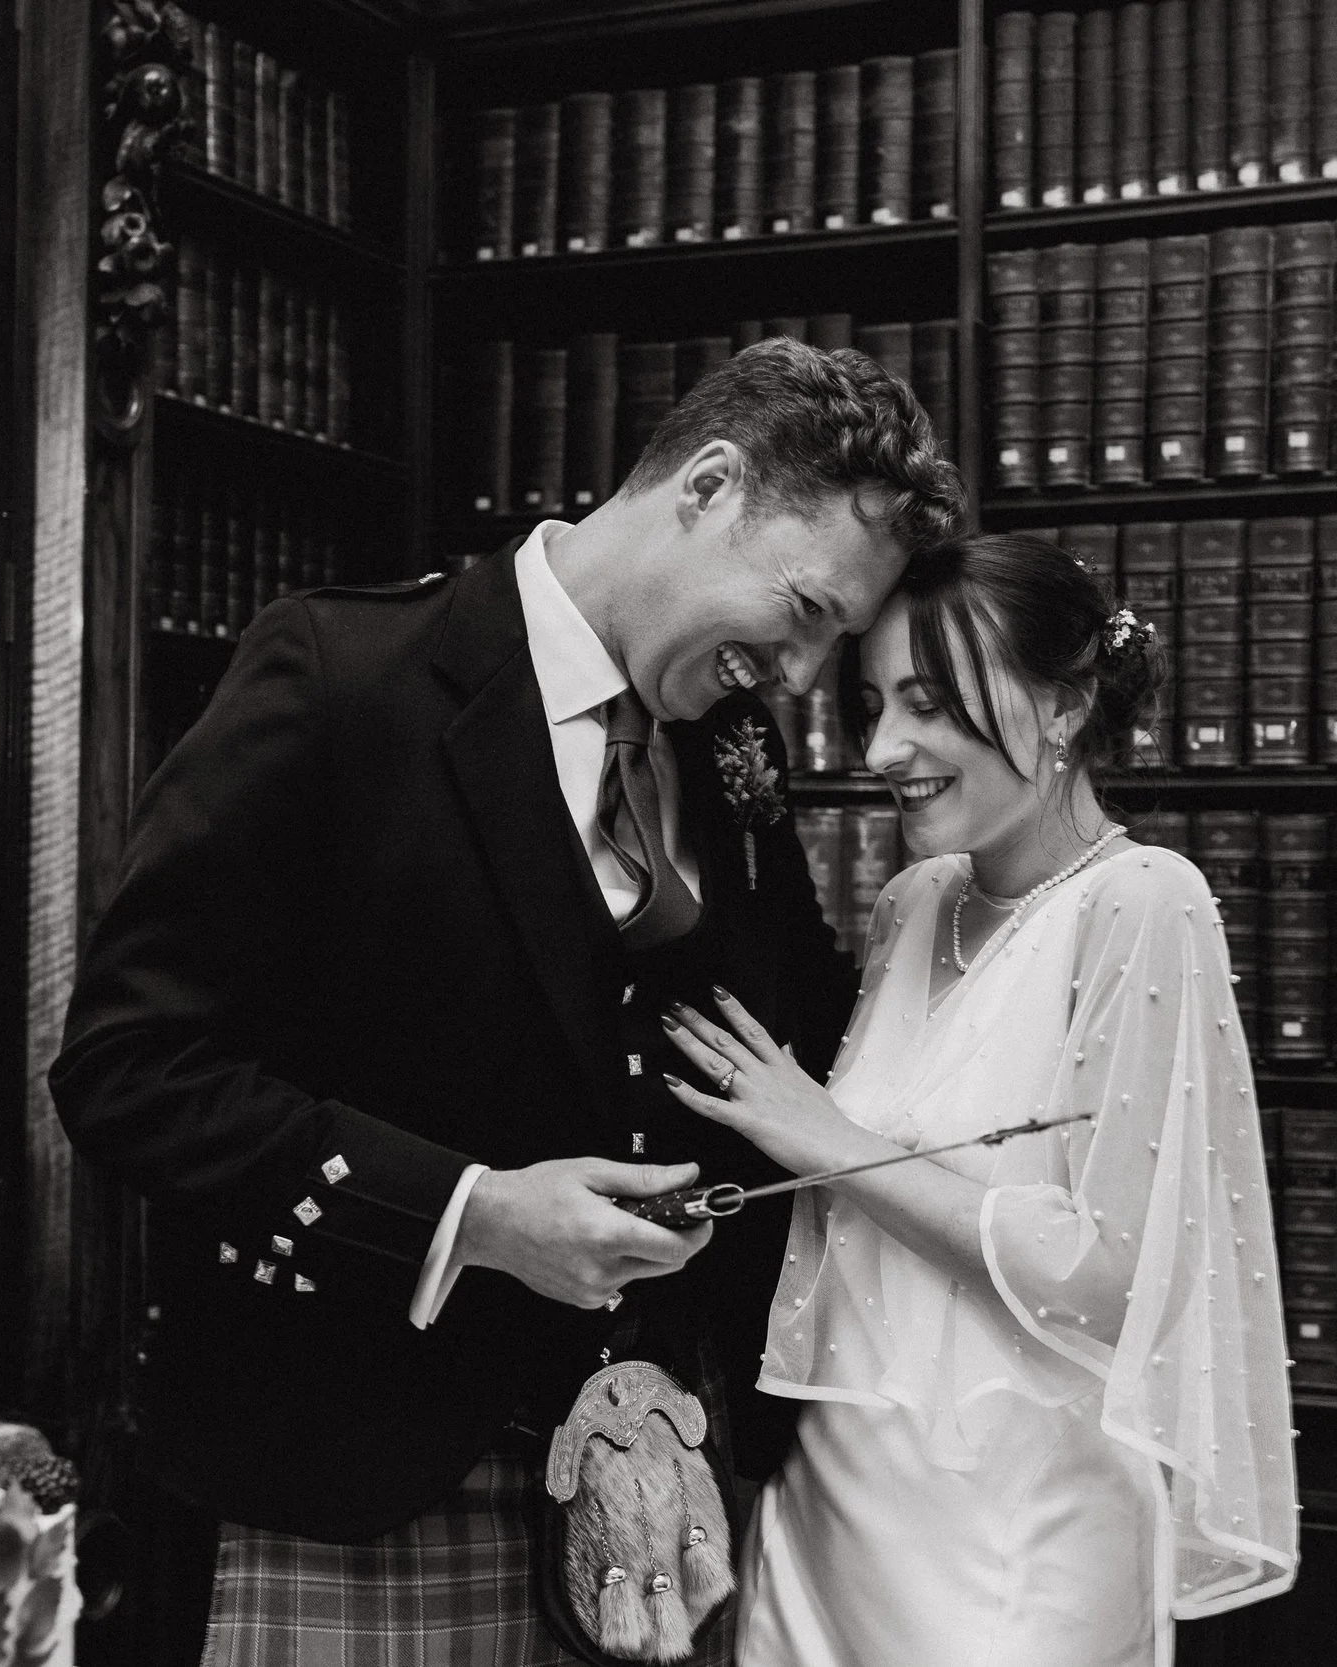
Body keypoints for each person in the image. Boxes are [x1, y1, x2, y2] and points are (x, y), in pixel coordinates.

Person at [48, 337, 963, 1666]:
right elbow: (128, 1067)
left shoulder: (728, 737)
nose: (808, 676)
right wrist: (470, 1213)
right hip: (366, 1471)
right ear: (707, 486)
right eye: (807, 610)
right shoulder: (342, 678)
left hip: (662, 1470)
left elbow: (798, 1035)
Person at [655, 533, 1299, 1667]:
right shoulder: (913, 899)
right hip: (834, 1504)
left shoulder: (1145, 902)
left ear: (1062, 708)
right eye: (871, 704)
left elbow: (1111, 1278)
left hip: (1018, 1530)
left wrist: (830, 1140)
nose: (885, 748)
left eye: (933, 703)